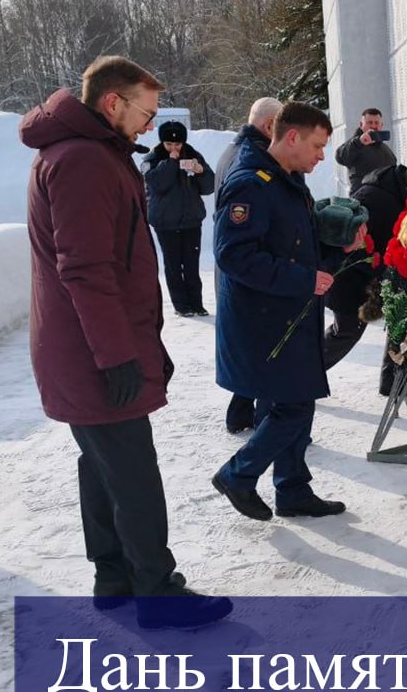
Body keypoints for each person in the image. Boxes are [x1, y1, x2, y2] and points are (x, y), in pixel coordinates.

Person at [21, 54, 231, 630]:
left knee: (103, 465)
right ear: (113, 102)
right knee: (132, 470)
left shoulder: (89, 153)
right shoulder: (83, 160)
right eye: (146, 112)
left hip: (86, 344)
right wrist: (117, 356)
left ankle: (113, 579)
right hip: (92, 350)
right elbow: (86, 269)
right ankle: (157, 593)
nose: (151, 124)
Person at [213, 101, 363, 520]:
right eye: (317, 146)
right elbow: (234, 255)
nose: (321, 156)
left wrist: (341, 247)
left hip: (290, 315)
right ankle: (238, 475)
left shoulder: (287, 178)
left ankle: (292, 489)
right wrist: (303, 280)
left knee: (296, 403)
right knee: (292, 408)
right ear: (292, 137)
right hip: (266, 321)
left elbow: (297, 247)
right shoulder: (250, 183)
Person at [323, 162, 407, 397]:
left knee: (401, 316)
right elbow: (353, 241)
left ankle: (393, 379)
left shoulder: (400, 194)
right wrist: (381, 268)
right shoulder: (375, 196)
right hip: (352, 275)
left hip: (377, 274)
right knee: (347, 331)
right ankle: (300, 379)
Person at [214, 97, 282, 433]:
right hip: (251, 275)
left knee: (249, 349)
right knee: (263, 352)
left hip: (239, 276)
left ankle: (240, 414)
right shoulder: (251, 162)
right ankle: (268, 425)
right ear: (269, 125)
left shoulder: (233, 152)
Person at [140, 120, 215, 317]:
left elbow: (209, 186)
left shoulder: (193, 155)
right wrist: (171, 163)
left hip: (191, 220)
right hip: (165, 221)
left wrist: (201, 171)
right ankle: (181, 305)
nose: (174, 148)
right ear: (162, 142)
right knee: (173, 265)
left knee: (191, 264)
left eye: (178, 144)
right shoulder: (152, 158)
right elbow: (157, 183)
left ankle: (196, 303)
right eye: (169, 144)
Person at [335, 107, 396, 195]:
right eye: (369, 122)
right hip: (363, 199)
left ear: (381, 125)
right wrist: (359, 142)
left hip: (384, 198)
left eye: (376, 123)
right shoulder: (355, 145)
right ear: (361, 124)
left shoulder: (385, 148)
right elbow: (340, 157)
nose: (373, 126)